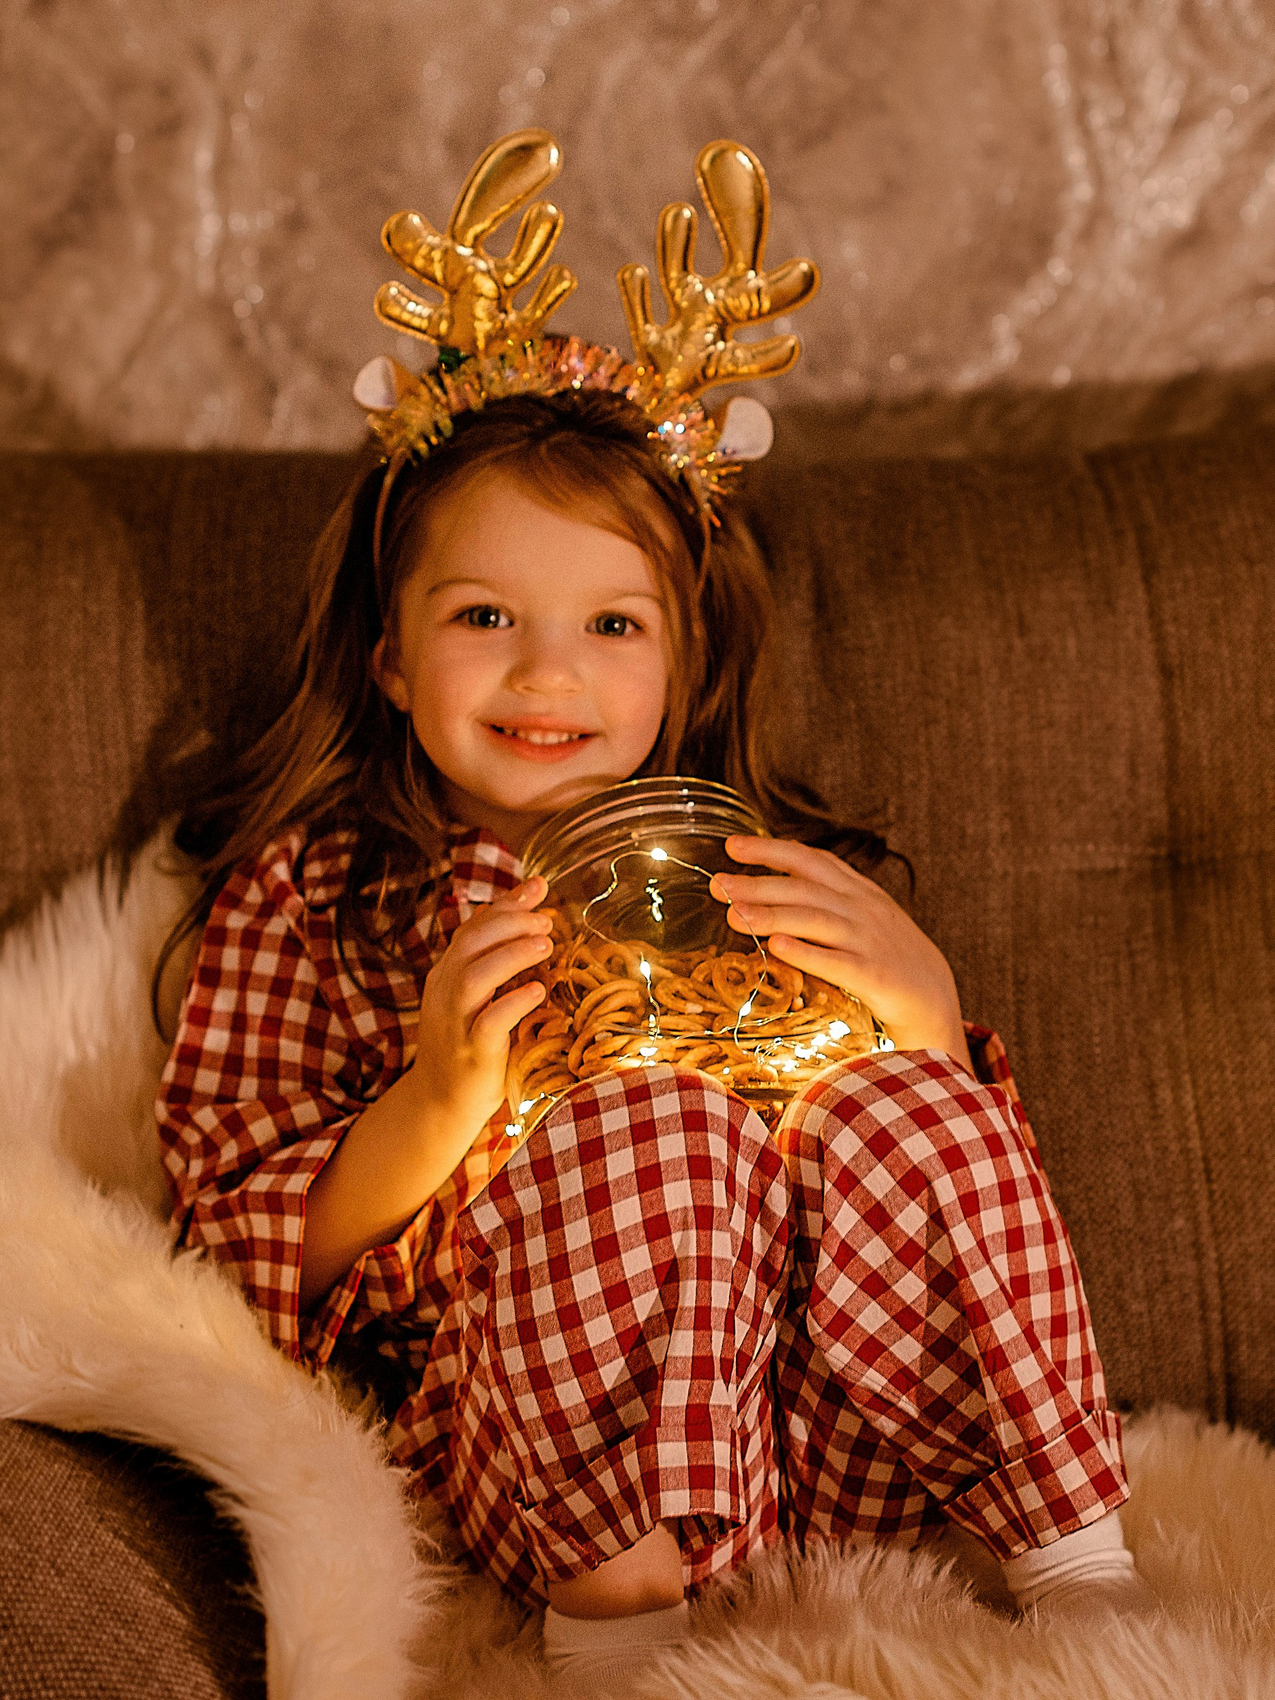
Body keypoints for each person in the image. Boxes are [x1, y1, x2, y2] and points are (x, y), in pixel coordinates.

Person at [155, 131, 1151, 1687]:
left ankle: (1082, 1576)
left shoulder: (766, 880)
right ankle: (624, 1642)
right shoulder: (327, 898)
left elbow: (952, 1198)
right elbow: (230, 1250)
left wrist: (927, 1019)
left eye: (610, 624)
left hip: (835, 1438)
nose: (547, 675)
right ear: (394, 661)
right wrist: (434, 1100)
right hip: (538, 1453)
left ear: (683, 667)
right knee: (651, 1129)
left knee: (904, 1106)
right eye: (485, 618)